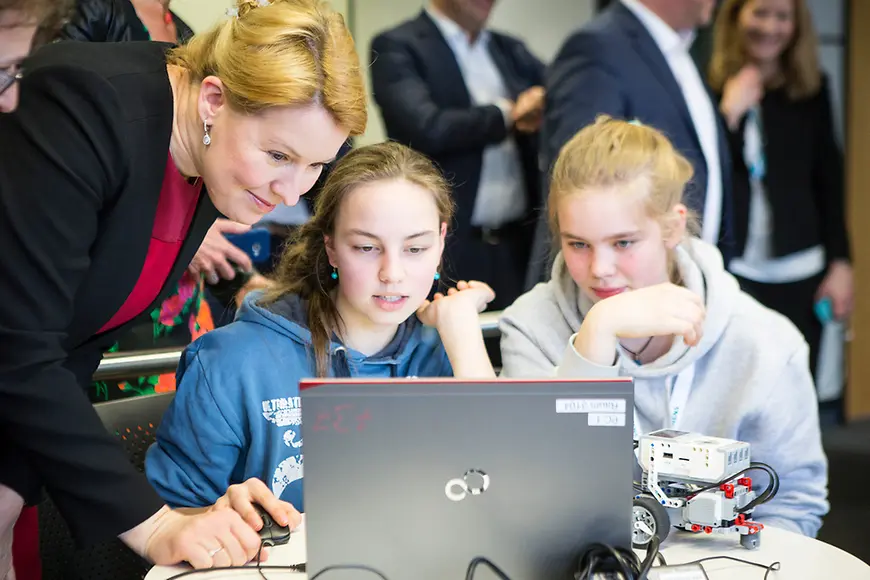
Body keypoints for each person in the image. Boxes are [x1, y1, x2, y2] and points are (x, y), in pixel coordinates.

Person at [0, 0, 366, 574]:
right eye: (278, 155)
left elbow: (77, 336)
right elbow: (19, 344)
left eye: (315, 165)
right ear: (215, 100)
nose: (291, 192)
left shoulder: (205, 150)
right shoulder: (86, 107)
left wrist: (14, 473)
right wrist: (156, 524)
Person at [499, 116, 828, 537]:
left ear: (672, 227)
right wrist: (596, 336)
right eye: (577, 243)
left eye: (623, 243)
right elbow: (542, 488)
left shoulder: (765, 341)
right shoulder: (530, 326)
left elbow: (792, 504)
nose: (599, 269)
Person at [145, 141, 496, 524]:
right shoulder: (233, 363)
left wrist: (465, 336)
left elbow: (503, 501)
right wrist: (215, 513)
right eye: (365, 247)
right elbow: (168, 522)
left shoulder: (453, 351)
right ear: (330, 247)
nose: (392, 273)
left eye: (415, 249)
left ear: (441, 240)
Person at [529, 0, 733, 287]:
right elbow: (581, 185)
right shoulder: (597, 47)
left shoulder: (679, 51)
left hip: (683, 282)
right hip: (604, 294)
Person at [708, 0, 852, 383]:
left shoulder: (812, 89)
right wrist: (728, 116)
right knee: (738, 387)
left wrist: (841, 262)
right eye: (760, 12)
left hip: (801, 265)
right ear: (736, 16)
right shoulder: (709, 88)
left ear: (796, 25)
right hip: (736, 267)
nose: (770, 27)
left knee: (795, 386)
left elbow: (829, 178)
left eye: (782, 16)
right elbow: (700, 174)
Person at [369, 0, 544, 311]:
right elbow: (426, 128)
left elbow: (558, 91)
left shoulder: (507, 49)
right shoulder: (398, 45)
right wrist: (507, 116)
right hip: (448, 245)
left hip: (517, 242)